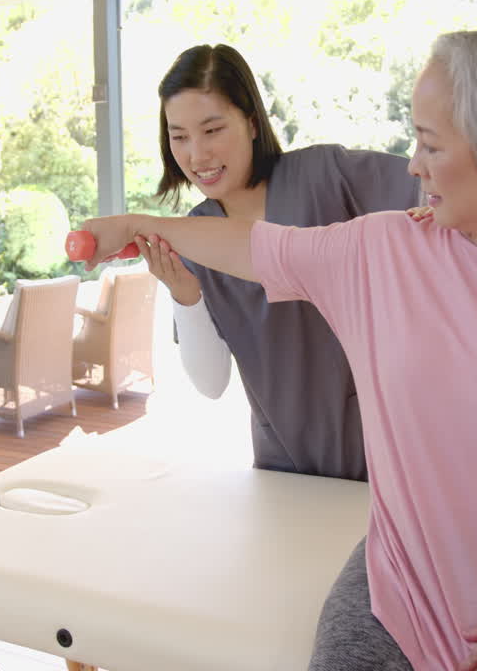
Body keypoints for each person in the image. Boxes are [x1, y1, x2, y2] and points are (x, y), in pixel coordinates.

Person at [82, 23, 477, 671]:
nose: (412, 166)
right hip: (400, 598)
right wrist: (135, 225)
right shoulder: (386, 250)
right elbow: (254, 245)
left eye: (429, 145)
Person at [134, 43, 420, 482]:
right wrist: (186, 297)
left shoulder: (327, 176)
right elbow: (211, 386)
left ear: (251, 122)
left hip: (389, 458)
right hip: (285, 470)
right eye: (179, 137)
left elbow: (438, 195)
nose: (197, 155)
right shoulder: (197, 235)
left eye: (212, 130)